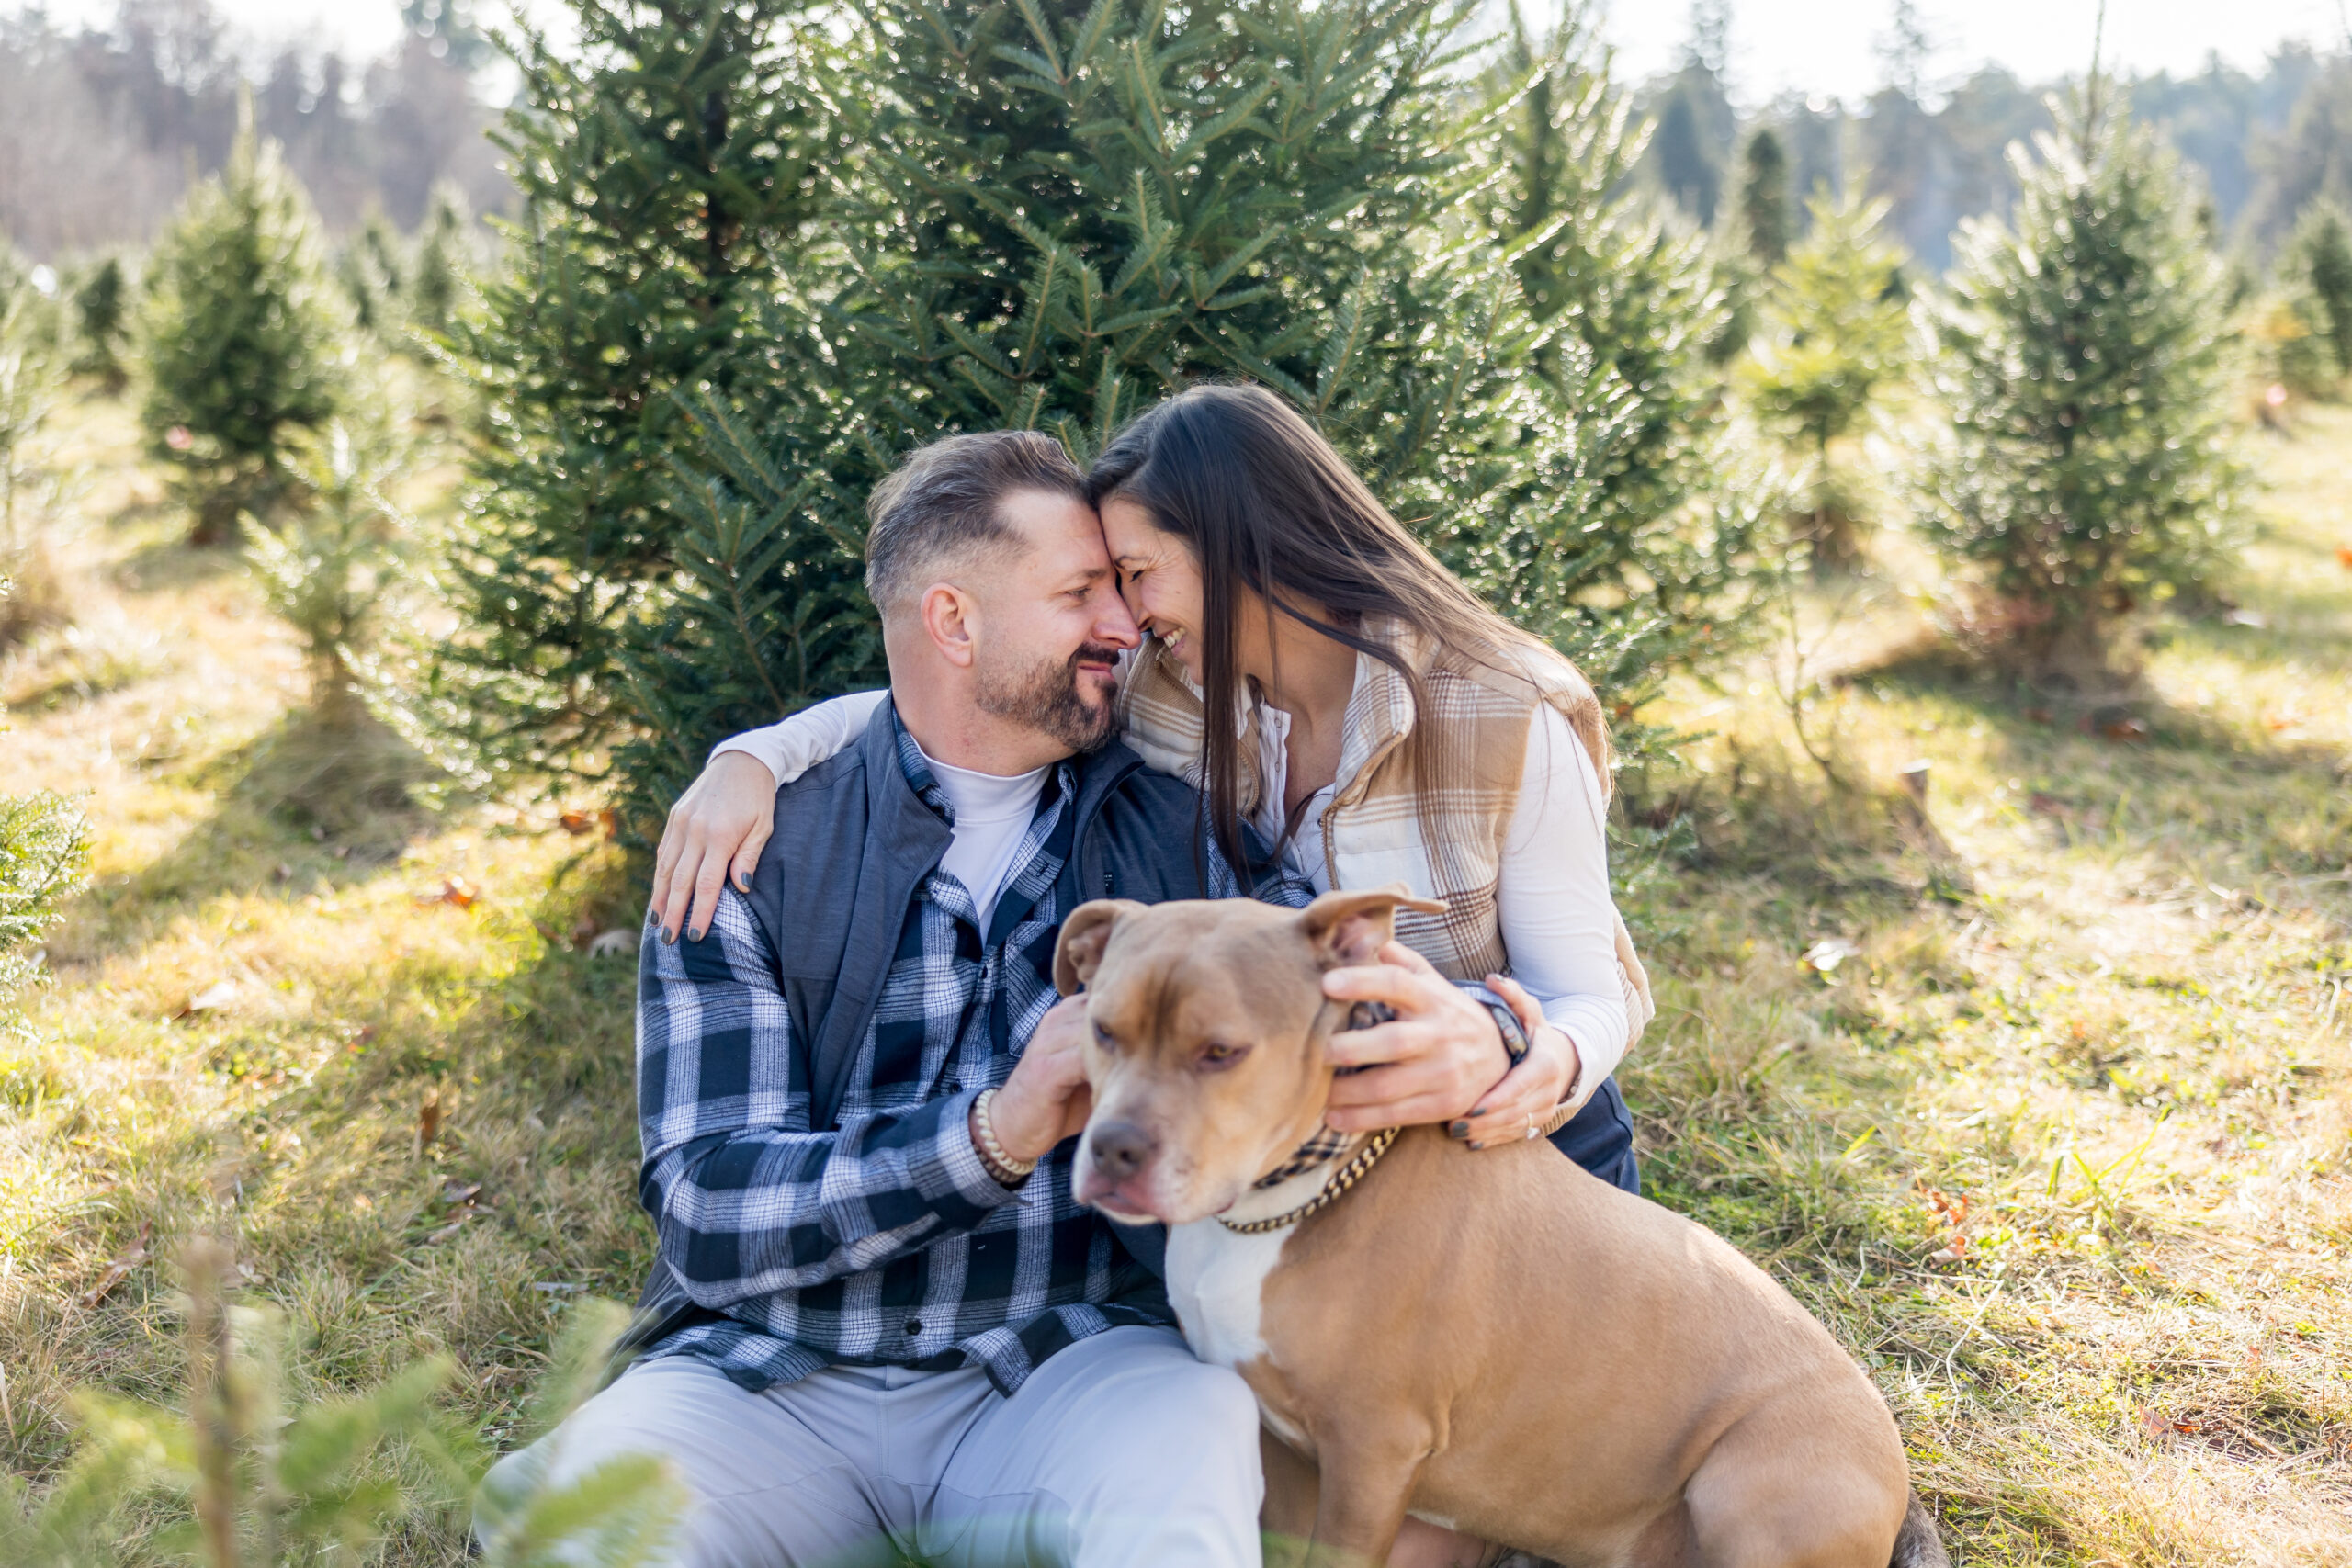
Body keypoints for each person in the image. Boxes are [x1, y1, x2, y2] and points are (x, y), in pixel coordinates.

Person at [482, 430, 1483, 1568]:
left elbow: (1349, 985)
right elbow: (708, 1209)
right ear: (953, 623)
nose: (1123, 625)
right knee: (562, 1529)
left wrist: (1501, 1032)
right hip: (770, 1378)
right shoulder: (747, 847)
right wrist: (993, 1135)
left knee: (1192, 1452)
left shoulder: (1184, 838)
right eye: (1077, 594)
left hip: (1075, 1366)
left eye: (1121, 588)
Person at [658, 383, 1653, 1187]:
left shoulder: (1504, 712)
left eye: (1137, 572)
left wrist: (1526, 1063)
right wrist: (753, 759)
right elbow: (953, 692)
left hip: (1521, 1143)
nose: (1127, 620)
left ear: (1235, 545)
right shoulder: (1176, 683)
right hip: (1318, 1148)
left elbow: (1589, 993)